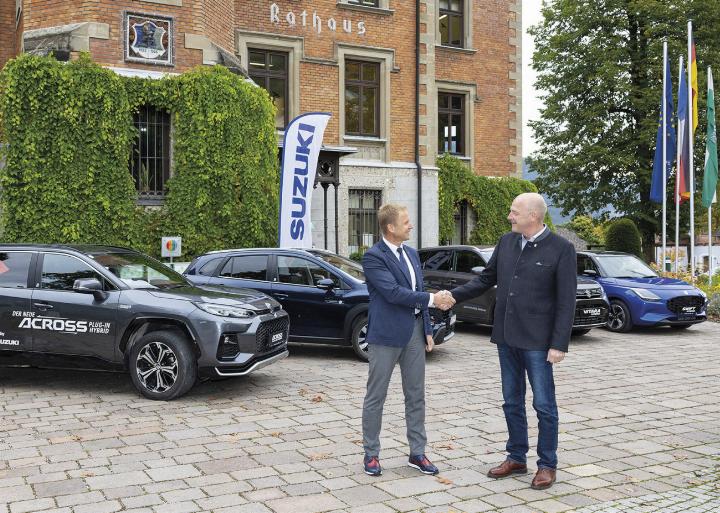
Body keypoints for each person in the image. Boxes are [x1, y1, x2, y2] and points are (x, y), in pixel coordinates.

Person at [447, 192, 576, 490]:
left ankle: (547, 464)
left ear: (533, 215)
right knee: (511, 402)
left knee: (544, 405)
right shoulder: (506, 242)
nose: (509, 216)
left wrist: (559, 344)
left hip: (539, 342)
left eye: (514, 212)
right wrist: (453, 296)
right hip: (506, 337)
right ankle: (516, 457)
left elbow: (566, 301)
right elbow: (485, 279)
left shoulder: (561, 249)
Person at [360, 203, 454, 477]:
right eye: (406, 221)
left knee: (416, 395)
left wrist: (426, 327)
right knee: (376, 396)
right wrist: (434, 300)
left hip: (414, 333)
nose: (410, 225)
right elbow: (393, 292)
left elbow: (418, 290)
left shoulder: (411, 254)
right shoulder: (374, 257)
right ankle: (371, 454)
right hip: (385, 336)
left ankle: (417, 452)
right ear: (390, 227)